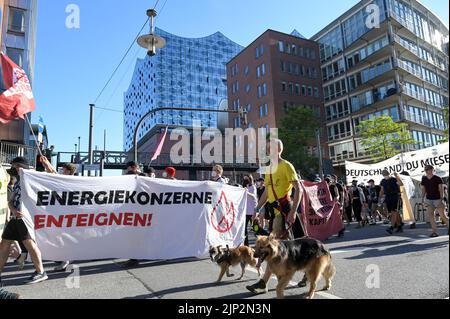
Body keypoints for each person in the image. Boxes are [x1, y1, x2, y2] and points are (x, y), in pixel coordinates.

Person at [246, 138, 302, 295]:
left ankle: (264, 282)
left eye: (270, 148)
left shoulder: (286, 166)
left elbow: (299, 189)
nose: (267, 151)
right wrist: (258, 208)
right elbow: (266, 192)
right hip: (275, 211)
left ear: (278, 150)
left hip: (285, 210)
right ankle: (266, 282)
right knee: (280, 248)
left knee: (277, 248)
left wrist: (292, 212)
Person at [0, 157, 48, 285]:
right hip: (16, 218)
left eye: (17, 166)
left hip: (26, 219)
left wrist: (47, 165)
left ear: (24, 167)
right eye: (15, 166)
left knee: (29, 244)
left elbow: (53, 178)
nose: (15, 169)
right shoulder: (17, 182)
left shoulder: (34, 179)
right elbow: (10, 202)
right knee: (4, 243)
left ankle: (41, 272)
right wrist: (14, 210)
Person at [40, 158, 77, 272]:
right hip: (63, 213)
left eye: (64, 170)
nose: (62, 171)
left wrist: (47, 164)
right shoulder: (68, 179)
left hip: (66, 214)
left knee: (62, 237)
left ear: (69, 171)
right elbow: (54, 175)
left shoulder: (70, 180)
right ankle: (65, 259)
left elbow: (54, 175)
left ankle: (65, 261)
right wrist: (47, 165)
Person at [420, 165, 449, 237]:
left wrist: (441, 199)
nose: (428, 171)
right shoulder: (424, 179)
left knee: (443, 216)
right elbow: (423, 189)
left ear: (433, 170)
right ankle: (434, 232)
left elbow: (441, 189)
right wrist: (422, 198)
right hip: (429, 199)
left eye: (429, 169)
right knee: (431, 216)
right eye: (426, 170)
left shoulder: (437, 178)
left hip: (438, 199)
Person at [380, 170, 403, 235]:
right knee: (394, 212)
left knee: (394, 211)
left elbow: (401, 184)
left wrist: (397, 176)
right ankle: (399, 225)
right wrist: (380, 198)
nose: (385, 175)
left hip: (395, 196)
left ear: (389, 173)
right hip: (388, 197)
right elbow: (382, 190)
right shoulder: (383, 181)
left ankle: (392, 227)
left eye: (386, 174)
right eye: (383, 174)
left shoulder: (394, 179)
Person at [243, 175, 258, 246]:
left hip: (252, 211)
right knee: (244, 230)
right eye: (244, 179)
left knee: (255, 228)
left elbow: (253, 196)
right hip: (246, 212)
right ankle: (246, 245)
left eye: (246, 179)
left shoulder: (253, 187)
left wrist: (247, 192)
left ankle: (259, 243)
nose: (245, 180)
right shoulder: (245, 187)